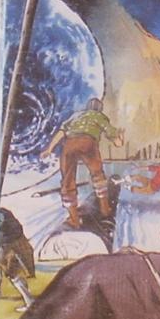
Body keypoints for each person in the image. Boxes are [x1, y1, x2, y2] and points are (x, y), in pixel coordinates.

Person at [40, 97, 124, 228]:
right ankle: (104, 209)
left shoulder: (75, 116)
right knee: (97, 175)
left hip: (69, 145)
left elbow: (61, 132)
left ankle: (74, 220)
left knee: (67, 181)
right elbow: (117, 142)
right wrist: (120, 139)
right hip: (88, 143)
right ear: (99, 109)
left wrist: (49, 149)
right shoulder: (99, 117)